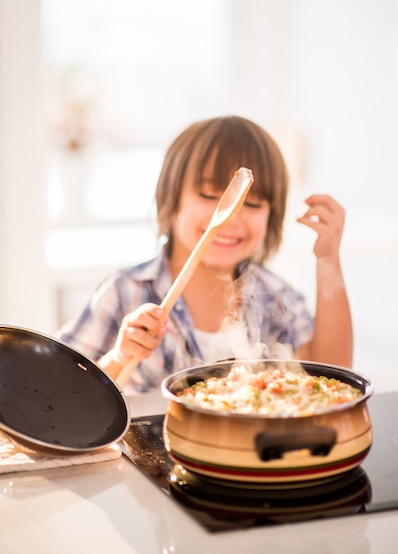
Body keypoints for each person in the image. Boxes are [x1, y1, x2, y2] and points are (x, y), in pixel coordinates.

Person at [56, 115, 353, 394]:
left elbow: (332, 377)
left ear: (272, 216)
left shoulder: (276, 298)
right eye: (209, 196)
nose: (232, 219)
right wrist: (121, 356)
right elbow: (63, 393)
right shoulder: (124, 292)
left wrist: (328, 260)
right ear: (171, 201)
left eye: (252, 204)